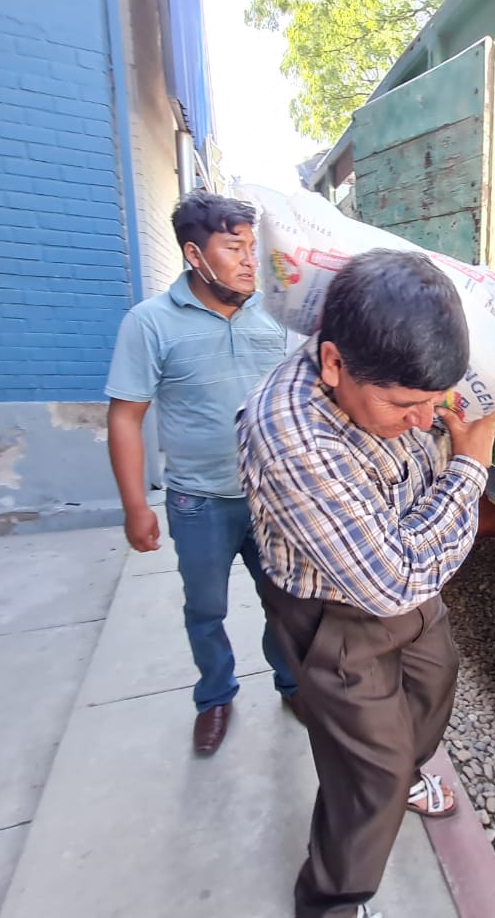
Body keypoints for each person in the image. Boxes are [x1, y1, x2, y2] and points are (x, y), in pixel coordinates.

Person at [235, 249, 495, 918]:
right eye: (405, 405)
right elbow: (392, 583)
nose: (424, 420)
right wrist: (468, 468)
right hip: (333, 616)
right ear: (332, 364)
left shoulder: (383, 377)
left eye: (432, 404)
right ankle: (331, 900)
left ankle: (407, 773)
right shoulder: (291, 433)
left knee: (434, 682)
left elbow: (410, 569)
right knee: (367, 778)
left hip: (403, 578)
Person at [105, 189, 300, 756]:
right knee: (206, 608)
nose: (248, 260)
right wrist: (136, 505)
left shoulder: (276, 315)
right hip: (198, 502)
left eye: (252, 247)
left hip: (274, 498)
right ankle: (215, 697)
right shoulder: (150, 324)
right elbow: (126, 416)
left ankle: (291, 684)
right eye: (233, 247)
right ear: (195, 254)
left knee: (285, 602)